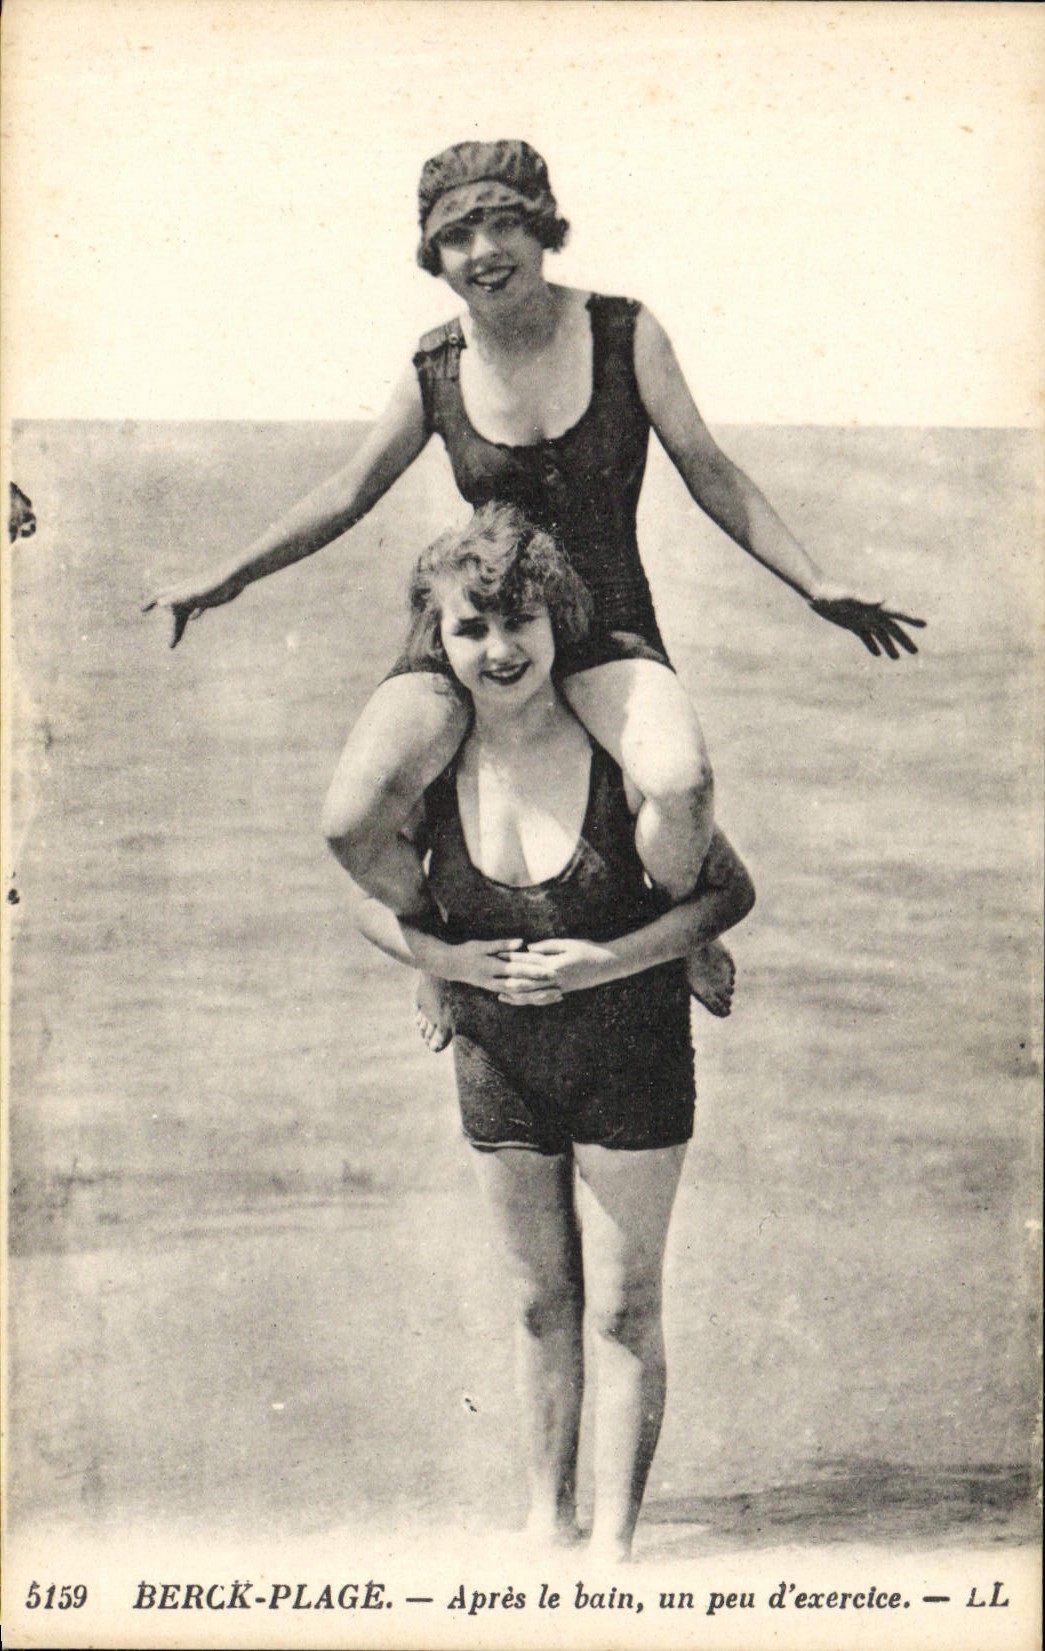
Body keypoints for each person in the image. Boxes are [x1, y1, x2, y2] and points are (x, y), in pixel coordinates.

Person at [144, 139, 922, 1027]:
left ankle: (683, 925)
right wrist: (223, 577)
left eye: (503, 225)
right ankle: (433, 946)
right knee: (349, 819)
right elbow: (348, 490)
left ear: (543, 227)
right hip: (479, 621)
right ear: (433, 256)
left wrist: (812, 582)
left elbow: (707, 468)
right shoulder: (435, 363)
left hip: (604, 622)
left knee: (681, 787)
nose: (483, 254)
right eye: (456, 237)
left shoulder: (626, 331)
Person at [350, 502, 755, 1559]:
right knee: (538, 1305)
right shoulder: (435, 759)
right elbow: (362, 895)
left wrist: (612, 957)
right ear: (435, 643)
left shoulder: (613, 744)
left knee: (621, 1310)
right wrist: (440, 963)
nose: (498, 648)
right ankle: (547, 1523)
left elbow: (730, 891)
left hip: (631, 1044)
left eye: (518, 621)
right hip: (499, 1060)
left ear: (555, 621)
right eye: (470, 629)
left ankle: (615, 1549)